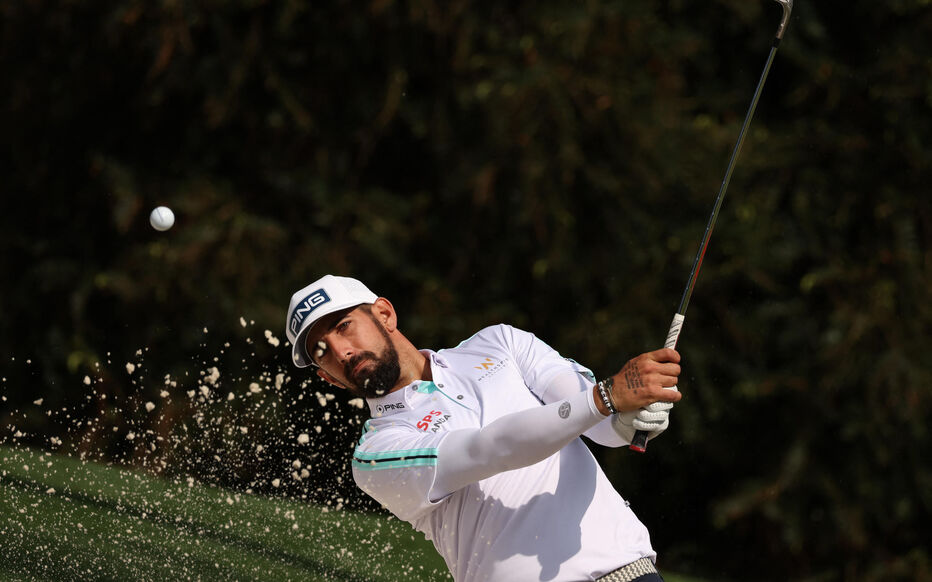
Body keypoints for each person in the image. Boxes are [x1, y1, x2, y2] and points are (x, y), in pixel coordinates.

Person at [285, 275, 683, 582]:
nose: (340, 351)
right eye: (321, 352)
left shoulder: (500, 343)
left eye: (343, 326)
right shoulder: (375, 453)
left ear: (385, 314)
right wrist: (606, 400)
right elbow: (490, 450)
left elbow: (602, 427)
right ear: (329, 379)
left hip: (629, 572)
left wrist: (632, 419)